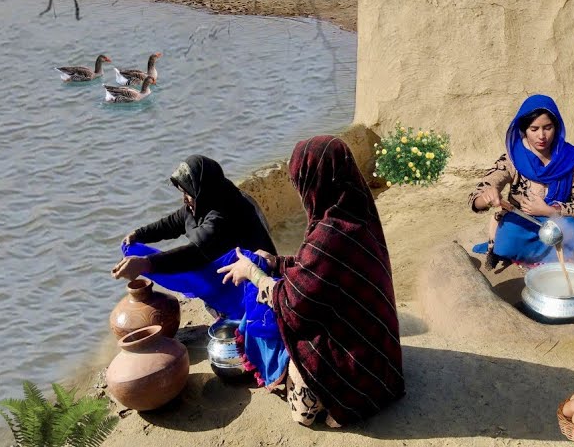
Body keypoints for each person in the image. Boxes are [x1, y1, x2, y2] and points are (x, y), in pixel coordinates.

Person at [219, 135, 405, 428]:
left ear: (313, 180)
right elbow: (318, 270)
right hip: (381, 354)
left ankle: (347, 397)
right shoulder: (356, 213)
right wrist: (273, 261)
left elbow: (293, 304)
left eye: (298, 181)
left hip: (359, 367)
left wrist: (252, 273)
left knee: (301, 413)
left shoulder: (329, 233)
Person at [111, 155, 278, 317]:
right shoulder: (202, 201)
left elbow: (194, 254)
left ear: (201, 190)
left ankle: (232, 304)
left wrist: (145, 264)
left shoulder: (224, 212)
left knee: (191, 271)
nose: (184, 199)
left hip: (253, 276)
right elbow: (172, 223)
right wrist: (139, 234)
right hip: (228, 268)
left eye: (187, 193)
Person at [468, 94, 574, 270]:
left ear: (556, 127)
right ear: (524, 130)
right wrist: (486, 197)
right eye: (534, 129)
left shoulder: (571, 158)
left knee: (571, 228)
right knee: (509, 235)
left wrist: (550, 211)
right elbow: (480, 193)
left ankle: (534, 259)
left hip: (557, 223)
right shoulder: (513, 158)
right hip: (524, 225)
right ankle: (538, 256)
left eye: (547, 128)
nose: (541, 136)